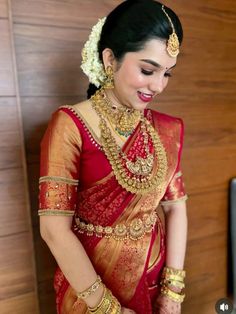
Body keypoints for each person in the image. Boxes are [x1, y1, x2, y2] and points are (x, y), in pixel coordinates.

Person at [38, 1, 188, 313]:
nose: (158, 86)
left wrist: (173, 290)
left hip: (154, 277)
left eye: (167, 74)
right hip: (88, 289)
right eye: (147, 70)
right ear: (110, 58)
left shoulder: (167, 130)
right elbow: (53, 230)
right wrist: (108, 309)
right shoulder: (70, 125)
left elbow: (176, 207)